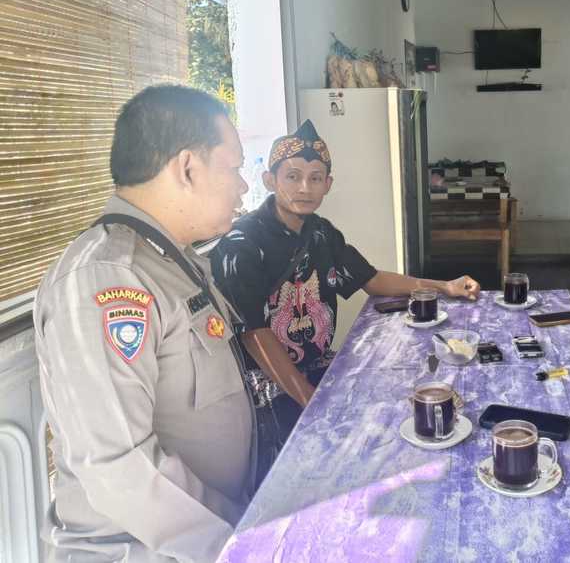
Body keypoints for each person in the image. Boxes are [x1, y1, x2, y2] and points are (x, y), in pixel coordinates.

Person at [34, 85, 255, 562]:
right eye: (234, 168)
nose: (243, 186)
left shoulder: (171, 261)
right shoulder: (106, 278)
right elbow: (119, 469)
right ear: (187, 168)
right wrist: (240, 548)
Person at [210, 120, 480, 478]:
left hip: (318, 367)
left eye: (315, 178)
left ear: (328, 184)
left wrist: (444, 286)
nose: (304, 188)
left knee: (403, 407)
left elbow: (371, 279)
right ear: (269, 180)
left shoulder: (321, 233)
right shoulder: (242, 244)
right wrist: (309, 399)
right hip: (267, 390)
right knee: (303, 475)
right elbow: (253, 333)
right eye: (292, 176)